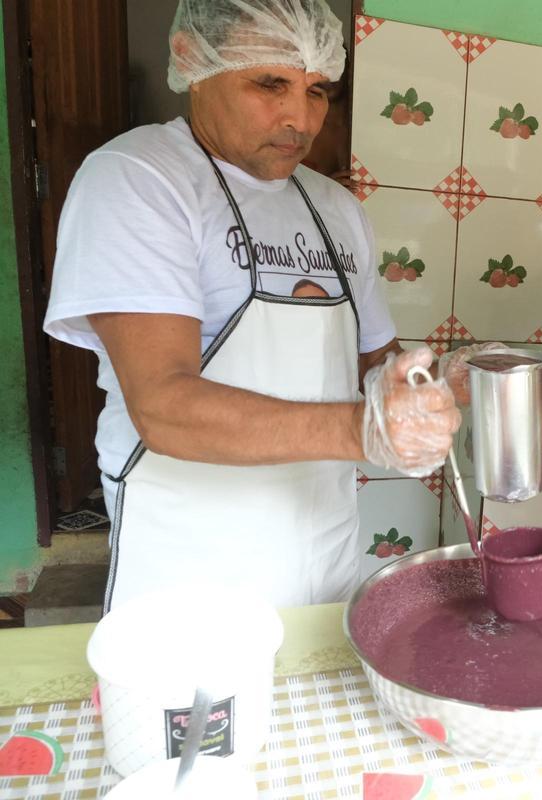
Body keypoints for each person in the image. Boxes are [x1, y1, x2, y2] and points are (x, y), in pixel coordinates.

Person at [42, 0, 490, 612]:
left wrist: (444, 382)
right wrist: (365, 429)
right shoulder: (138, 177)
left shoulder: (335, 208)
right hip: (191, 550)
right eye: (270, 83)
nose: (300, 118)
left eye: (316, 91)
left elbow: (375, 367)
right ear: (191, 62)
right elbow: (163, 406)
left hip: (320, 531)